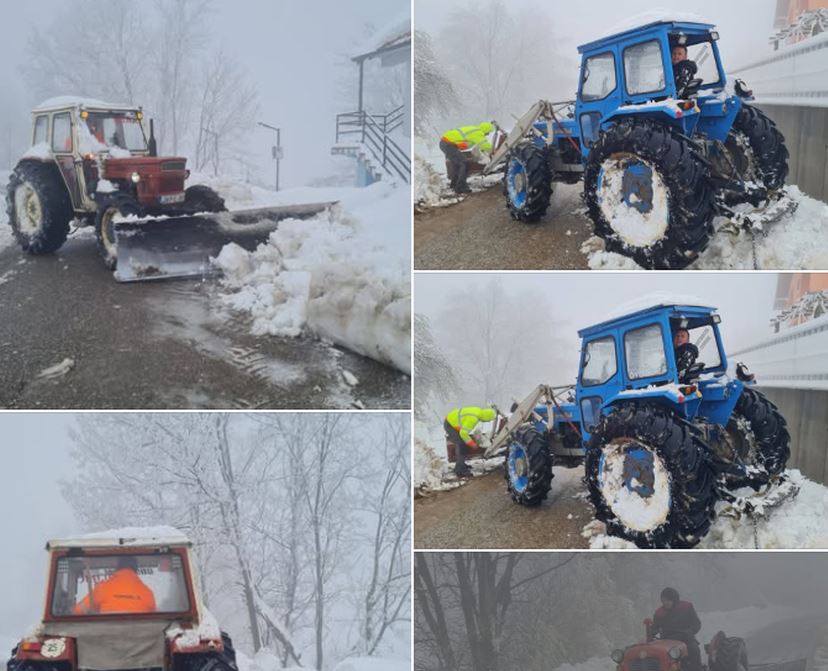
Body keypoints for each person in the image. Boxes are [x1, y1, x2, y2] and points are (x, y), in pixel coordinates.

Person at [73, 556, 157, 614]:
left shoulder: (102, 588)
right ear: (136, 570)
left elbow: (78, 611)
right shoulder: (148, 594)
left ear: (117, 568)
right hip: (142, 638)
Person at [652, 587, 702, 671]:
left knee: (694, 649)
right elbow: (654, 628)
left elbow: (696, 623)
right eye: (664, 600)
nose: (666, 602)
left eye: (669, 600)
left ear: (675, 599)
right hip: (666, 641)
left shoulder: (686, 607)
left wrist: (690, 631)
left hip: (686, 639)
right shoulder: (659, 613)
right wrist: (651, 633)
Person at [439, 122, 495, 194]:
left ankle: (454, 184)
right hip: (448, 145)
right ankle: (460, 187)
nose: (487, 134)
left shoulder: (474, 130)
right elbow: (484, 145)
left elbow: (478, 145)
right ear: (486, 130)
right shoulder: (478, 133)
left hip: (445, 144)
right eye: (488, 132)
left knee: (457, 165)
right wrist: (494, 151)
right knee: (464, 163)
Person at [444, 406, 497, 477]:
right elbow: (463, 433)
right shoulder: (474, 418)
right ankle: (459, 470)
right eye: (488, 420)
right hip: (450, 424)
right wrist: (472, 444)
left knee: (464, 444)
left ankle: (461, 464)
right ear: (486, 417)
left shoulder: (478, 411)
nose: (487, 421)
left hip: (452, 419)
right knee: (461, 445)